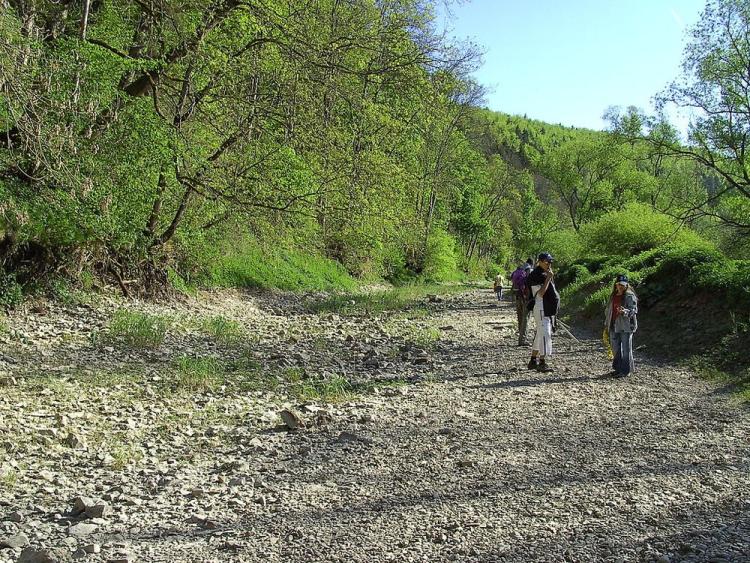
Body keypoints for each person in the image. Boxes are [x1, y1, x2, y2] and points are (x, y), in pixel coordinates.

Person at [526, 252, 559, 372]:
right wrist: (549, 278)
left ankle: (533, 360)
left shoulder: (546, 273)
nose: (549, 264)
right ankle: (542, 362)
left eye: (550, 262)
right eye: (547, 262)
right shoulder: (536, 275)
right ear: (540, 262)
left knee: (540, 333)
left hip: (547, 308)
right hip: (541, 307)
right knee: (545, 333)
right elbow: (539, 294)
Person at [604, 274, 638, 377]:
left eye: (623, 285)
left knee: (626, 350)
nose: (620, 287)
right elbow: (608, 310)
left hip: (626, 326)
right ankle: (618, 369)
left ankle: (625, 371)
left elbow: (634, 310)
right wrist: (606, 324)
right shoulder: (613, 295)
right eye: (619, 284)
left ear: (627, 285)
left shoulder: (630, 296)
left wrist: (624, 312)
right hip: (613, 325)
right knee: (616, 349)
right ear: (616, 284)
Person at [509, 264, 530, 345]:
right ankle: (523, 338)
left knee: (520, 316)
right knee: (525, 318)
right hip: (524, 298)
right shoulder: (524, 275)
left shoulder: (514, 273)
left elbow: (512, 282)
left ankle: (520, 334)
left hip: (517, 296)